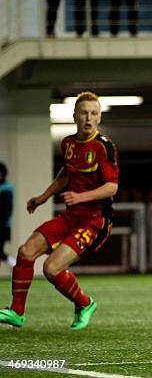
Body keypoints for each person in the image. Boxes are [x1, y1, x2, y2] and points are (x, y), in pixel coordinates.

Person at [0, 92, 119, 330]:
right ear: (74, 115)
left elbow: (111, 187)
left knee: (51, 268)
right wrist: (43, 197)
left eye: (94, 113)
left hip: (95, 221)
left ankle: (85, 304)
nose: (89, 118)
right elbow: (66, 173)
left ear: (99, 117)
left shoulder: (103, 147)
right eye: (84, 113)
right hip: (71, 217)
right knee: (26, 252)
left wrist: (81, 196)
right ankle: (16, 312)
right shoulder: (68, 144)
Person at [0, 162, 16, 268]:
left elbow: (7, 209)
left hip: (2, 225)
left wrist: (3, 222)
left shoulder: (6, 189)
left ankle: (14, 264)